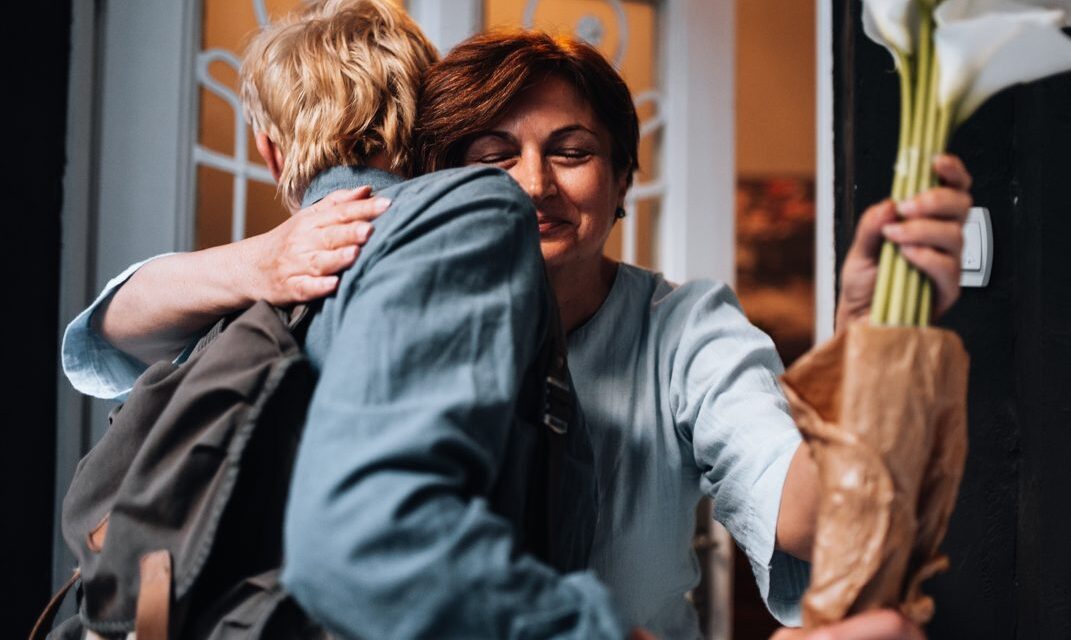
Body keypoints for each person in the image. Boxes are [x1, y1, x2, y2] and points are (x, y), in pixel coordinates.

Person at [62, 28, 971, 640]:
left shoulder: (682, 329)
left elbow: (807, 511)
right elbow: (106, 335)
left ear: (622, 183)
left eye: (571, 153)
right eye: (491, 158)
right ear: (438, 187)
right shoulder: (345, 278)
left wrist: (871, 334)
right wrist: (257, 261)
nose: (531, 184)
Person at [72, 2, 638, 637]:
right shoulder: (464, 215)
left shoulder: (236, 307)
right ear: (429, 124)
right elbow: (377, 538)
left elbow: (95, 347)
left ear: (270, 151)